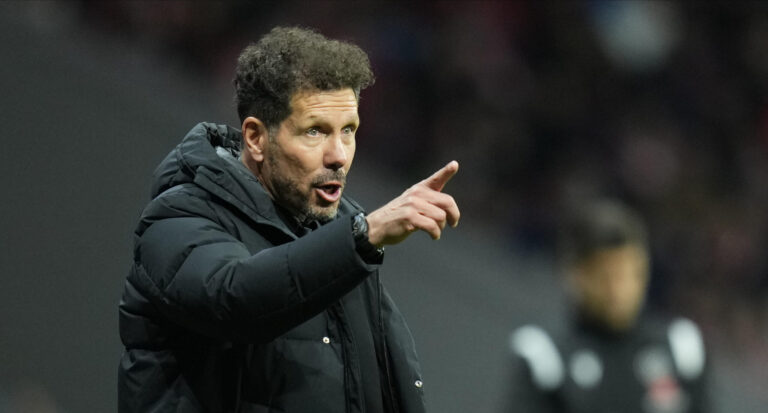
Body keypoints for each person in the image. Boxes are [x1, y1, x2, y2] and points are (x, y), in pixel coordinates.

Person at [118, 27, 460, 413]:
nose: (339, 155)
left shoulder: (341, 231)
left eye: (348, 131)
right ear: (256, 139)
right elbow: (236, 299)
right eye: (315, 131)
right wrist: (363, 237)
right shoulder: (177, 218)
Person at [505, 200, 710, 413]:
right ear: (575, 275)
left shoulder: (681, 348)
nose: (622, 290)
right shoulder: (545, 356)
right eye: (607, 278)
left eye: (634, 273)